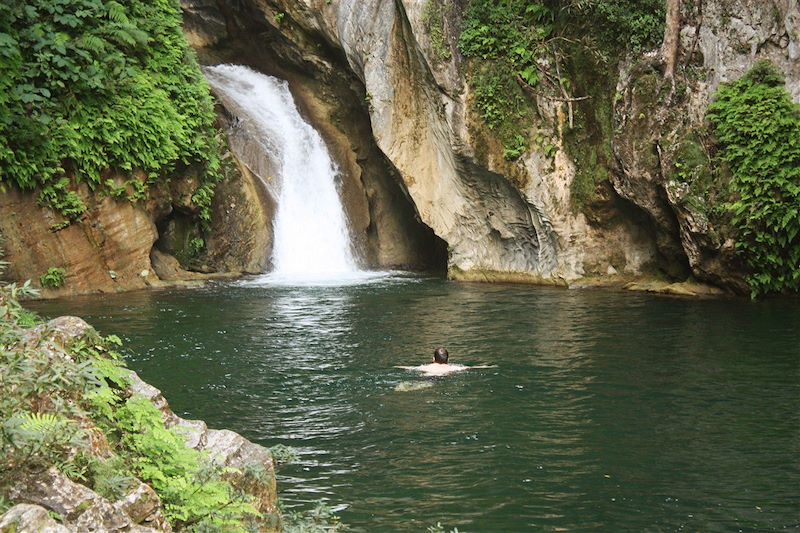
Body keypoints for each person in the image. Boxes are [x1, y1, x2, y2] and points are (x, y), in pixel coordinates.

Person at [395, 347, 495, 377]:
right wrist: (489, 367)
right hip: (439, 379)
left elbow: (410, 368)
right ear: (447, 360)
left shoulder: (426, 367)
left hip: (427, 376)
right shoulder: (451, 367)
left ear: (433, 359)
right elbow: (471, 368)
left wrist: (395, 366)